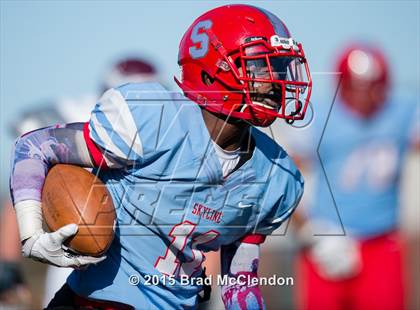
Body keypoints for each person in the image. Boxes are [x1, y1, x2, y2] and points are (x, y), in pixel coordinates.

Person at [9, 4, 312, 309]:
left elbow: (240, 279)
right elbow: (34, 146)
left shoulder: (277, 176)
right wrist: (31, 233)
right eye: (261, 66)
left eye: (282, 66)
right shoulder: (154, 120)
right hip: (92, 302)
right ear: (212, 73)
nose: (276, 82)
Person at [2, 57, 160, 308]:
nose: (139, 115)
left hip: (148, 279)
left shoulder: (175, 140)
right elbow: (25, 182)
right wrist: (8, 262)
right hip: (72, 270)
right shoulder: (79, 117)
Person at [292, 44, 419, 310]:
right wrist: (310, 230)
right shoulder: (319, 117)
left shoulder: (403, 112)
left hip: (381, 243)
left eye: (373, 87)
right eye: (357, 87)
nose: (365, 96)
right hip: (326, 242)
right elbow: (282, 181)